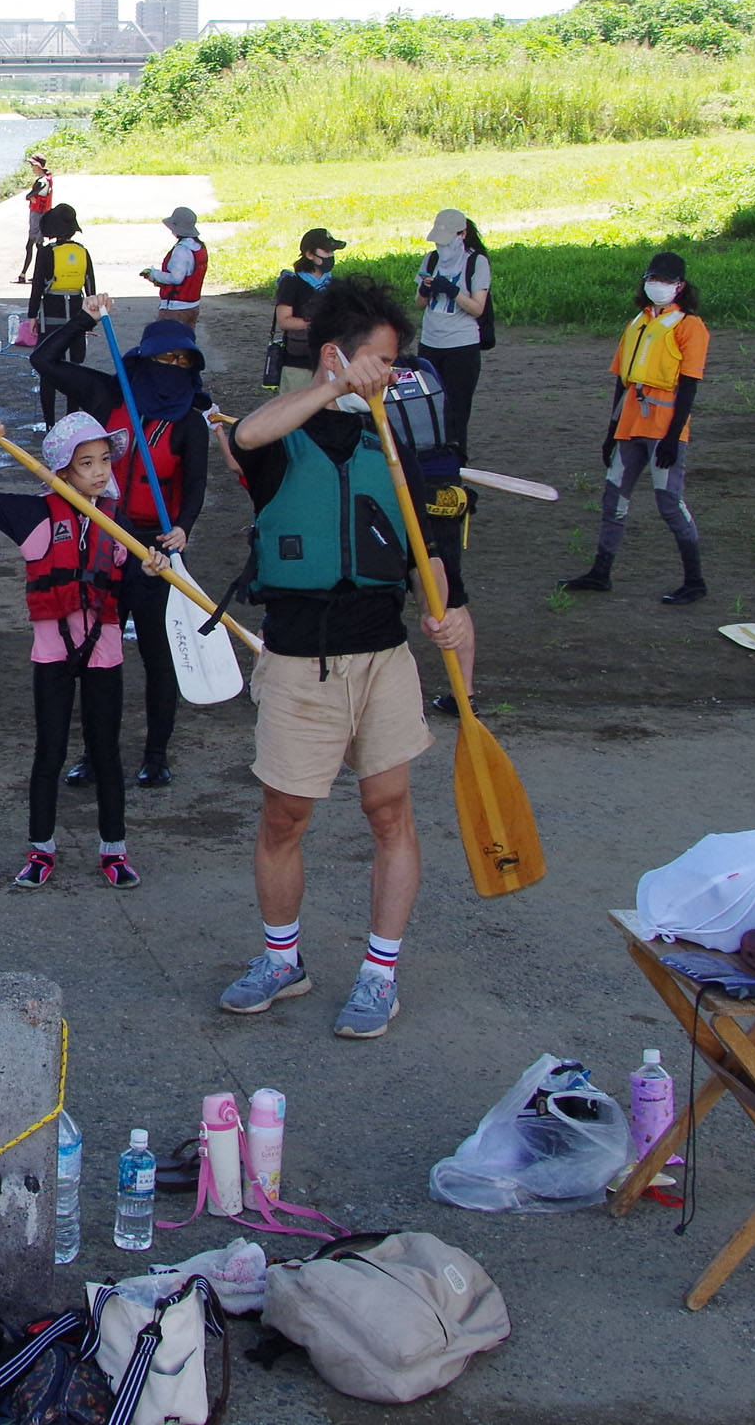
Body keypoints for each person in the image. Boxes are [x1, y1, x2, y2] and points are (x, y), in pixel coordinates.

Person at [220, 275, 465, 1040]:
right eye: (381, 361)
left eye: (395, 365)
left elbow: (436, 564)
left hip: (383, 655)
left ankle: (379, 975)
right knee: (284, 817)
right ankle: (281, 961)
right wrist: (330, 386)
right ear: (337, 356)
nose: (390, 377)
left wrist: (450, 613)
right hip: (300, 660)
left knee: (388, 812)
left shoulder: (398, 442)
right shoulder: (281, 436)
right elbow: (247, 437)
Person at [0, 411, 167, 890]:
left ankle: (114, 850)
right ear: (63, 471)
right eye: (86, 462)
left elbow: (132, 578)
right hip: (52, 653)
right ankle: (41, 850)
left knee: (106, 752)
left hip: (104, 653)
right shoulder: (34, 516)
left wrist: (153, 566)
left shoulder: (117, 521)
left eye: (104, 461)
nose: (98, 471)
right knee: (49, 752)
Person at [32, 293, 210, 787]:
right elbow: (42, 360)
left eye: (181, 361)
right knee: (95, 653)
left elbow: (194, 486)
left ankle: (156, 754)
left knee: (157, 652)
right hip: (104, 541)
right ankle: (93, 752)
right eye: (163, 359)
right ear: (140, 360)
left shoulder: (189, 421)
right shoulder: (111, 396)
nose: (171, 368)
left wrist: (183, 528)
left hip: (154, 550)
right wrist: (83, 319)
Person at [560, 250, 709, 606]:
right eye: (653, 278)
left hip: (663, 427)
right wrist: (611, 432)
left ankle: (695, 580)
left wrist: (673, 437)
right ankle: (600, 573)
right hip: (630, 423)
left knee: (669, 503)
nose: (657, 285)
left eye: (665, 280)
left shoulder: (691, 327)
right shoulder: (636, 324)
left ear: (680, 287)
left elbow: (689, 385)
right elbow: (621, 382)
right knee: (614, 499)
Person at [375, 357, 479, 714]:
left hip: (394, 489)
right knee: (452, 596)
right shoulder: (425, 368)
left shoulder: (362, 381)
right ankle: (463, 695)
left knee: (374, 589)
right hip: (445, 487)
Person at [413, 209, 491, 461]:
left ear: (462, 234)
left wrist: (452, 291)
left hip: (461, 346)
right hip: (430, 343)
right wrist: (426, 290)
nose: (441, 246)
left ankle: (456, 463)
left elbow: (477, 308)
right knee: (427, 408)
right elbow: (419, 304)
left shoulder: (476, 261)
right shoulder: (431, 259)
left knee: (456, 411)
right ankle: (430, 460)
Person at [24, 204, 95, 428]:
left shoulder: (46, 252)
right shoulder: (83, 251)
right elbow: (90, 286)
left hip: (52, 315)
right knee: (74, 369)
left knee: (48, 368)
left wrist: (32, 316)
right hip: (77, 313)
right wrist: (91, 318)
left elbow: (37, 286)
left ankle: (49, 424)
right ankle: (72, 418)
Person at [270, 230, 344, 393]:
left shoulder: (336, 284)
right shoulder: (292, 284)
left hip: (330, 363)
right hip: (298, 363)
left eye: (332, 251)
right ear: (309, 254)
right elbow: (284, 321)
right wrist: (316, 324)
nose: (330, 255)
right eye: (326, 251)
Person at [140, 207, 208, 322]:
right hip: (192, 305)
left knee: (164, 338)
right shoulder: (199, 247)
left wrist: (154, 274)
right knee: (187, 338)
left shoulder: (181, 250)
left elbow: (176, 278)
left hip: (175, 308)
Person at [18, 154, 54, 284]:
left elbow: (29, 195)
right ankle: (40, 274)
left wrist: (30, 196)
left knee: (31, 245)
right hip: (40, 215)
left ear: (38, 166)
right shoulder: (46, 180)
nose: (32, 168)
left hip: (38, 216)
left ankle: (25, 275)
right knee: (37, 246)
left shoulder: (41, 182)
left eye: (33, 165)